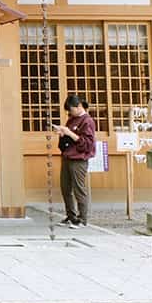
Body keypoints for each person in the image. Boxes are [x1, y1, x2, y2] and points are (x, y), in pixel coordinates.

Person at [55, 93, 96, 228]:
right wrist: (62, 133)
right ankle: (71, 216)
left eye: (71, 110)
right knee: (65, 188)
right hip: (67, 156)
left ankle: (82, 219)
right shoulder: (71, 119)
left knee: (79, 189)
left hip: (79, 159)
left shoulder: (87, 121)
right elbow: (69, 139)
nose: (69, 113)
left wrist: (69, 133)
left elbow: (87, 144)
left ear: (79, 107)